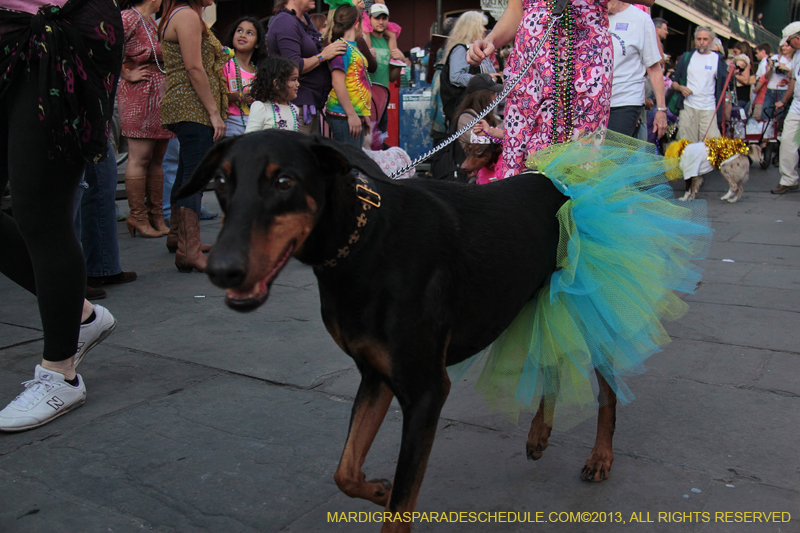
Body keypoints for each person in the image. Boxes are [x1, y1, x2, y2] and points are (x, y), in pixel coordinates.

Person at [0, 0, 120, 431]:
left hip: (55, 32)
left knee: (41, 212)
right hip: (7, 32)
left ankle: (60, 374)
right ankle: (81, 315)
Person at [467, 0, 655, 179]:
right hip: (530, 70)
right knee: (520, 155)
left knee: (577, 165)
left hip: (584, 66)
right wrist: (491, 40)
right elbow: (515, 10)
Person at [159, 0, 228, 273]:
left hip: (188, 104)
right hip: (192, 106)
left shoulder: (183, 14)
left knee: (187, 170)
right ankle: (189, 250)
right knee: (195, 176)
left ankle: (178, 236)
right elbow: (194, 68)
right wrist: (214, 112)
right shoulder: (186, 15)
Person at [119, 0, 176, 239]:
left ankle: (156, 217)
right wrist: (126, 72)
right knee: (140, 157)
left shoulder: (151, 22)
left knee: (157, 159)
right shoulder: (127, 18)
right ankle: (138, 217)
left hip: (158, 93)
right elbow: (106, 47)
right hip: (139, 93)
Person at [267, 0, 347, 135]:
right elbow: (293, 65)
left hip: (309, 104)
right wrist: (323, 55)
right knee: (297, 153)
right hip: (296, 105)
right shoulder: (285, 22)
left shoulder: (304, 19)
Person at [606, 0, 667, 138]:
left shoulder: (641, 19)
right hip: (592, 102)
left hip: (624, 100)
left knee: (611, 156)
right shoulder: (591, 15)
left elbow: (654, 67)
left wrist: (661, 110)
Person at [670, 27, 728, 143]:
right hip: (688, 107)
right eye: (699, 39)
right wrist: (681, 88)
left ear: (711, 40)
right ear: (694, 40)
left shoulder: (718, 59)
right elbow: (674, 82)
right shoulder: (686, 57)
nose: (701, 42)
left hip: (709, 108)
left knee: (711, 147)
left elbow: (725, 82)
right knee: (686, 145)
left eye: (705, 39)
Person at [325, 4, 372, 148]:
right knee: (349, 166)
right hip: (344, 115)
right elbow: (338, 82)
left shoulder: (352, 46)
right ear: (357, 24)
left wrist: (363, 113)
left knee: (354, 164)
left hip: (353, 115)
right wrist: (351, 115)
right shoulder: (342, 48)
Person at [440, 11, 496, 125]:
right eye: (482, 26)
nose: (485, 30)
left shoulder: (481, 52)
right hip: (466, 111)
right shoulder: (460, 50)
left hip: (482, 109)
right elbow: (456, 77)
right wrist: (482, 80)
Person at [222, 16, 267, 136]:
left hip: (255, 126)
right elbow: (217, 97)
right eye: (239, 31)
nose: (243, 35)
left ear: (257, 43)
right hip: (230, 126)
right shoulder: (224, 64)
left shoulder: (258, 70)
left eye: (249, 33)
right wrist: (241, 95)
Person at [771, 22, 800, 195]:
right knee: (788, 140)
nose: (787, 45)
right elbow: (794, 81)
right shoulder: (797, 56)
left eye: (789, 41)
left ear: (798, 37)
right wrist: (784, 100)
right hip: (797, 104)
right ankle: (788, 179)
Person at [245, 57, 301, 133]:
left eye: (297, 80)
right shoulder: (261, 107)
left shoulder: (294, 110)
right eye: (293, 79)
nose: (298, 84)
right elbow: (249, 138)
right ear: (277, 84)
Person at [363, 4, 402, 88]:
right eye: (377, 18)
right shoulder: (365, 39)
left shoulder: (389, 42)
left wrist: (400, 61)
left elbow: (392, 78)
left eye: (384, 18)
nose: (381, 22)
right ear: (369, 19)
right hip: (366, 95)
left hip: (383, 96)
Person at [761, 41, 793, 121]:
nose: (784, 48)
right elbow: (766, 76)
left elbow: (792, 75)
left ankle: (777, 132)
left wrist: (784, 67)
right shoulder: (775, 57)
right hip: (770, 89)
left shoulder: (793, 60)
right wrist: (771, 67)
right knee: (765, 114)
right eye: (783, 46)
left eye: (787, 46)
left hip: (783, 90)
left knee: (780, 116)